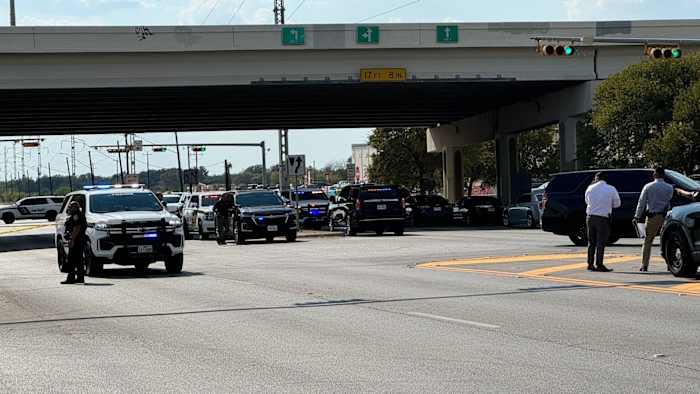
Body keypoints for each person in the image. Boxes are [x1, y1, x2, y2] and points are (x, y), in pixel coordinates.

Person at [633, 167, 674, 272]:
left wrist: (637, 216)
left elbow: (641, 203)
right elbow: (669, 202)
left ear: (655, 175)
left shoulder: (648, 186)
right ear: (663, 175)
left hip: (652, 216)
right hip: (666, 216)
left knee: (648, 241)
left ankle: (644, 265)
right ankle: (670, 265)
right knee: (666, 241)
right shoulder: (669, 187)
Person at [584, 172, 621, 272]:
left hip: (590, 217)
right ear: (605, 179)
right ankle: (599, 264)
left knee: (591, 242)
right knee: (601, 242)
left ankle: (590, 264)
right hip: (603, 218)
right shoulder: (611, 189)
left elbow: (586, 201)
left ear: (596, 178)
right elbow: (617, 204)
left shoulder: (590, 188)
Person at [62, 201, 87, 284]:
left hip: (77, 240)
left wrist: (72, 239)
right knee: (78, 260)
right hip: (79, 239)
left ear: (75, 207)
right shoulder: (77, 215)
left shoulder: (76, 216)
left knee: (71, 259)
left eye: (72, 207)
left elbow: (77, 228)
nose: (70, 208)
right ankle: (80, 278)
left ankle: (71, 278)